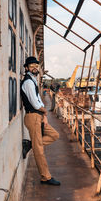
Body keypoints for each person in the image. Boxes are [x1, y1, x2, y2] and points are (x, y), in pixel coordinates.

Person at [21, 56, 61, 186]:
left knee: (55, 135)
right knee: (39, 150)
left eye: (36, 66)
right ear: (26, 68)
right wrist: (44, 112)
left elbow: (38, 101)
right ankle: (46, 177)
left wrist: (43, 116)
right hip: (32, 116)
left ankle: (30, 144)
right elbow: (35, 103)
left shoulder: (33, 81)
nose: (34, 67)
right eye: (31, 65)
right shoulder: (27, 82)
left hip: (38, 116)